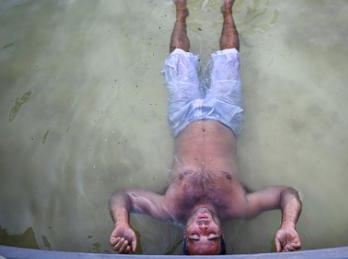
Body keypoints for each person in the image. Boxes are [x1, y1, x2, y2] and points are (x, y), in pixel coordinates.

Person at [108, 0, 302, 255]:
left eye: (194, 237)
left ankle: (181, 13)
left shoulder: (169, 207)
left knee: (178, 56)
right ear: (222, 235)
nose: (203, 227)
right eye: (211, 235)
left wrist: (122, 222)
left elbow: (122, 197)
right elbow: (286, 194)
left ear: (184, 236)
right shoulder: (238, 206)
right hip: (225, 115)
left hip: (183, 117)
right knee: (230, 55)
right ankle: (227, 10)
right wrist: (288, 224)